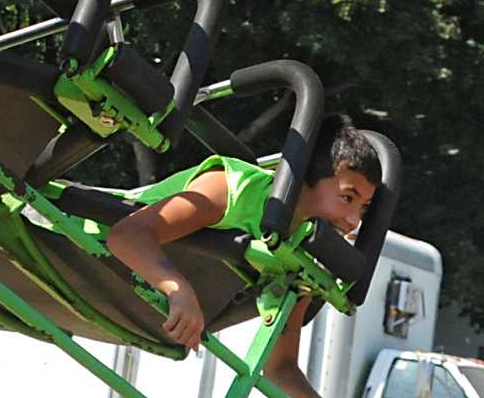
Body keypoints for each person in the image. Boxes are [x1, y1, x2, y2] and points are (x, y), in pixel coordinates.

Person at [105, 114, 382, 394]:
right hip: (87, 253)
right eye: (348, 198)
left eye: (363, 208)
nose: (353, 221)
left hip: (134, 309)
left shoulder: (302, 258)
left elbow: (280, 367)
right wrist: (178, 289)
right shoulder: (236, 187)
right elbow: (125, 235)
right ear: (307, 175)